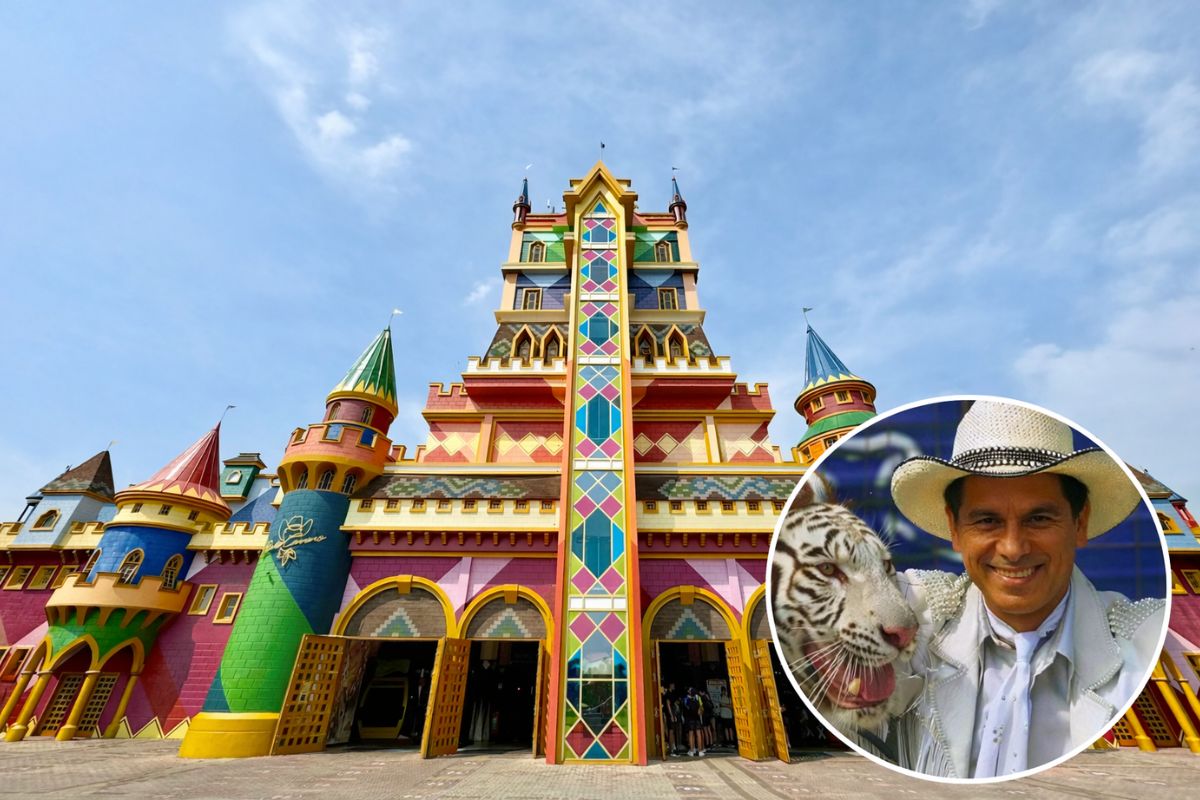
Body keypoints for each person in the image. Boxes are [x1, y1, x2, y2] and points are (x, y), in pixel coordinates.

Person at [887, 400, 1166, 779]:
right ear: (955, 528)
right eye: (987, 521)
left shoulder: (1144, 640)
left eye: (1039, 518)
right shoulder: (920, 614)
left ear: (1079, 522)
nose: (1013, 549)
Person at [681, 686, 705, 757]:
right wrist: (700, 711)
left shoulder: (686, 698)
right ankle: (700, 751)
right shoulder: (698, 697)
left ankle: (692, 751)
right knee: (698, 734)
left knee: (691, 734)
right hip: (697, 718)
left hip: (690, 718)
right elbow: (702, 707)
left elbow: (686, 708)